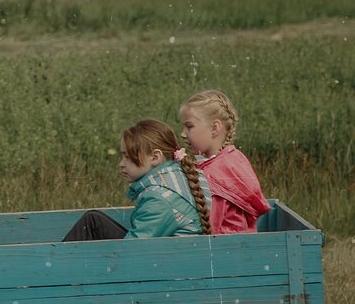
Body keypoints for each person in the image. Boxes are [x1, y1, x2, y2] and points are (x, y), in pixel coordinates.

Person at [63, 119, 211, 241]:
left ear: (154, 157)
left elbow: (132, 253)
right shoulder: (181, 175)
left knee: (91, 223)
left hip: (168, 269)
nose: (121, 164)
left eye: (128, 157)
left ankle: (51, 272)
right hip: (171, 259)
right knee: (94, 221)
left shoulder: (159, 199)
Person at [180, 89, 270, 234]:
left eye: (189, 126)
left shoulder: (214, 174)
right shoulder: (235, 158)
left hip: (224, 250)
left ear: (214, 128)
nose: (183, 133)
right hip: (245, 242)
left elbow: (210, 227)